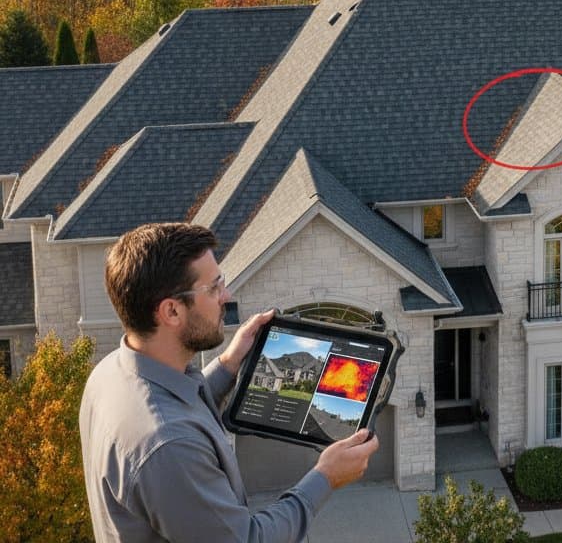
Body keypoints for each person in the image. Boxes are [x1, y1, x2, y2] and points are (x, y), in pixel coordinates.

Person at [80, 221, 379, 542]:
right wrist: (325, 477)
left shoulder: (111, 373)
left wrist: (229, 365)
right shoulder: (170, 448)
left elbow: (173, 408)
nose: (227, 295)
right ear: (171, 311)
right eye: (213, 288)